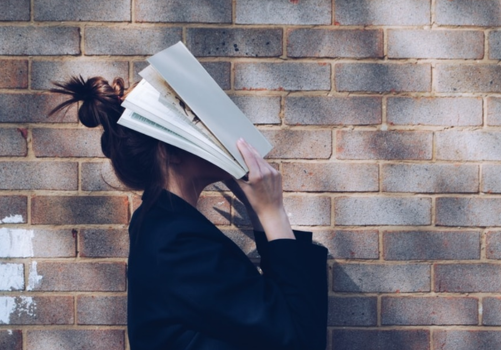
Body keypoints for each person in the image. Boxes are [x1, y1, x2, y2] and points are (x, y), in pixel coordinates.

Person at [50, 76, 328, 350]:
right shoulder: (176, 243)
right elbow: (300, 337)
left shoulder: (163, 225)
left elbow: (275, 320)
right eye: (199, 124)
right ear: (170, 151)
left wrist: (258, 209)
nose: (218, 134)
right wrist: (273, 211)